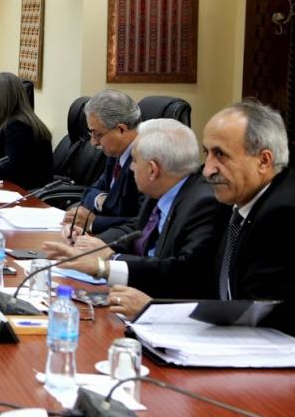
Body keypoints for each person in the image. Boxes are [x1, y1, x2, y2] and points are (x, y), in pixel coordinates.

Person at [108, 100, 295, 335]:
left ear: (263, 161)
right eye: (207, 153)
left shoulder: (283, 213)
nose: (207, 170)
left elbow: (258, 318)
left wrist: (153, 310)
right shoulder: (237, 202)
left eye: (221, 155)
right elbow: (199, 278)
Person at [42, 119, 222, 295]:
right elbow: (137, 228)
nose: (131, 168)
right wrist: (94, 244)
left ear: (152, 170)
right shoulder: (163, 188)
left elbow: (183, 273)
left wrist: (109, 262)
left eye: (134, 161)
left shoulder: (202, 203)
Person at [63, 90, 142, 234]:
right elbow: (89, 192)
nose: (93, 142)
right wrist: (102, 200)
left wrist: (94, 222)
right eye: (91, 133)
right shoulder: (116, 153)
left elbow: (143, 222)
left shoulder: (144, 162)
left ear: (121, 130)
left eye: (97, 134)